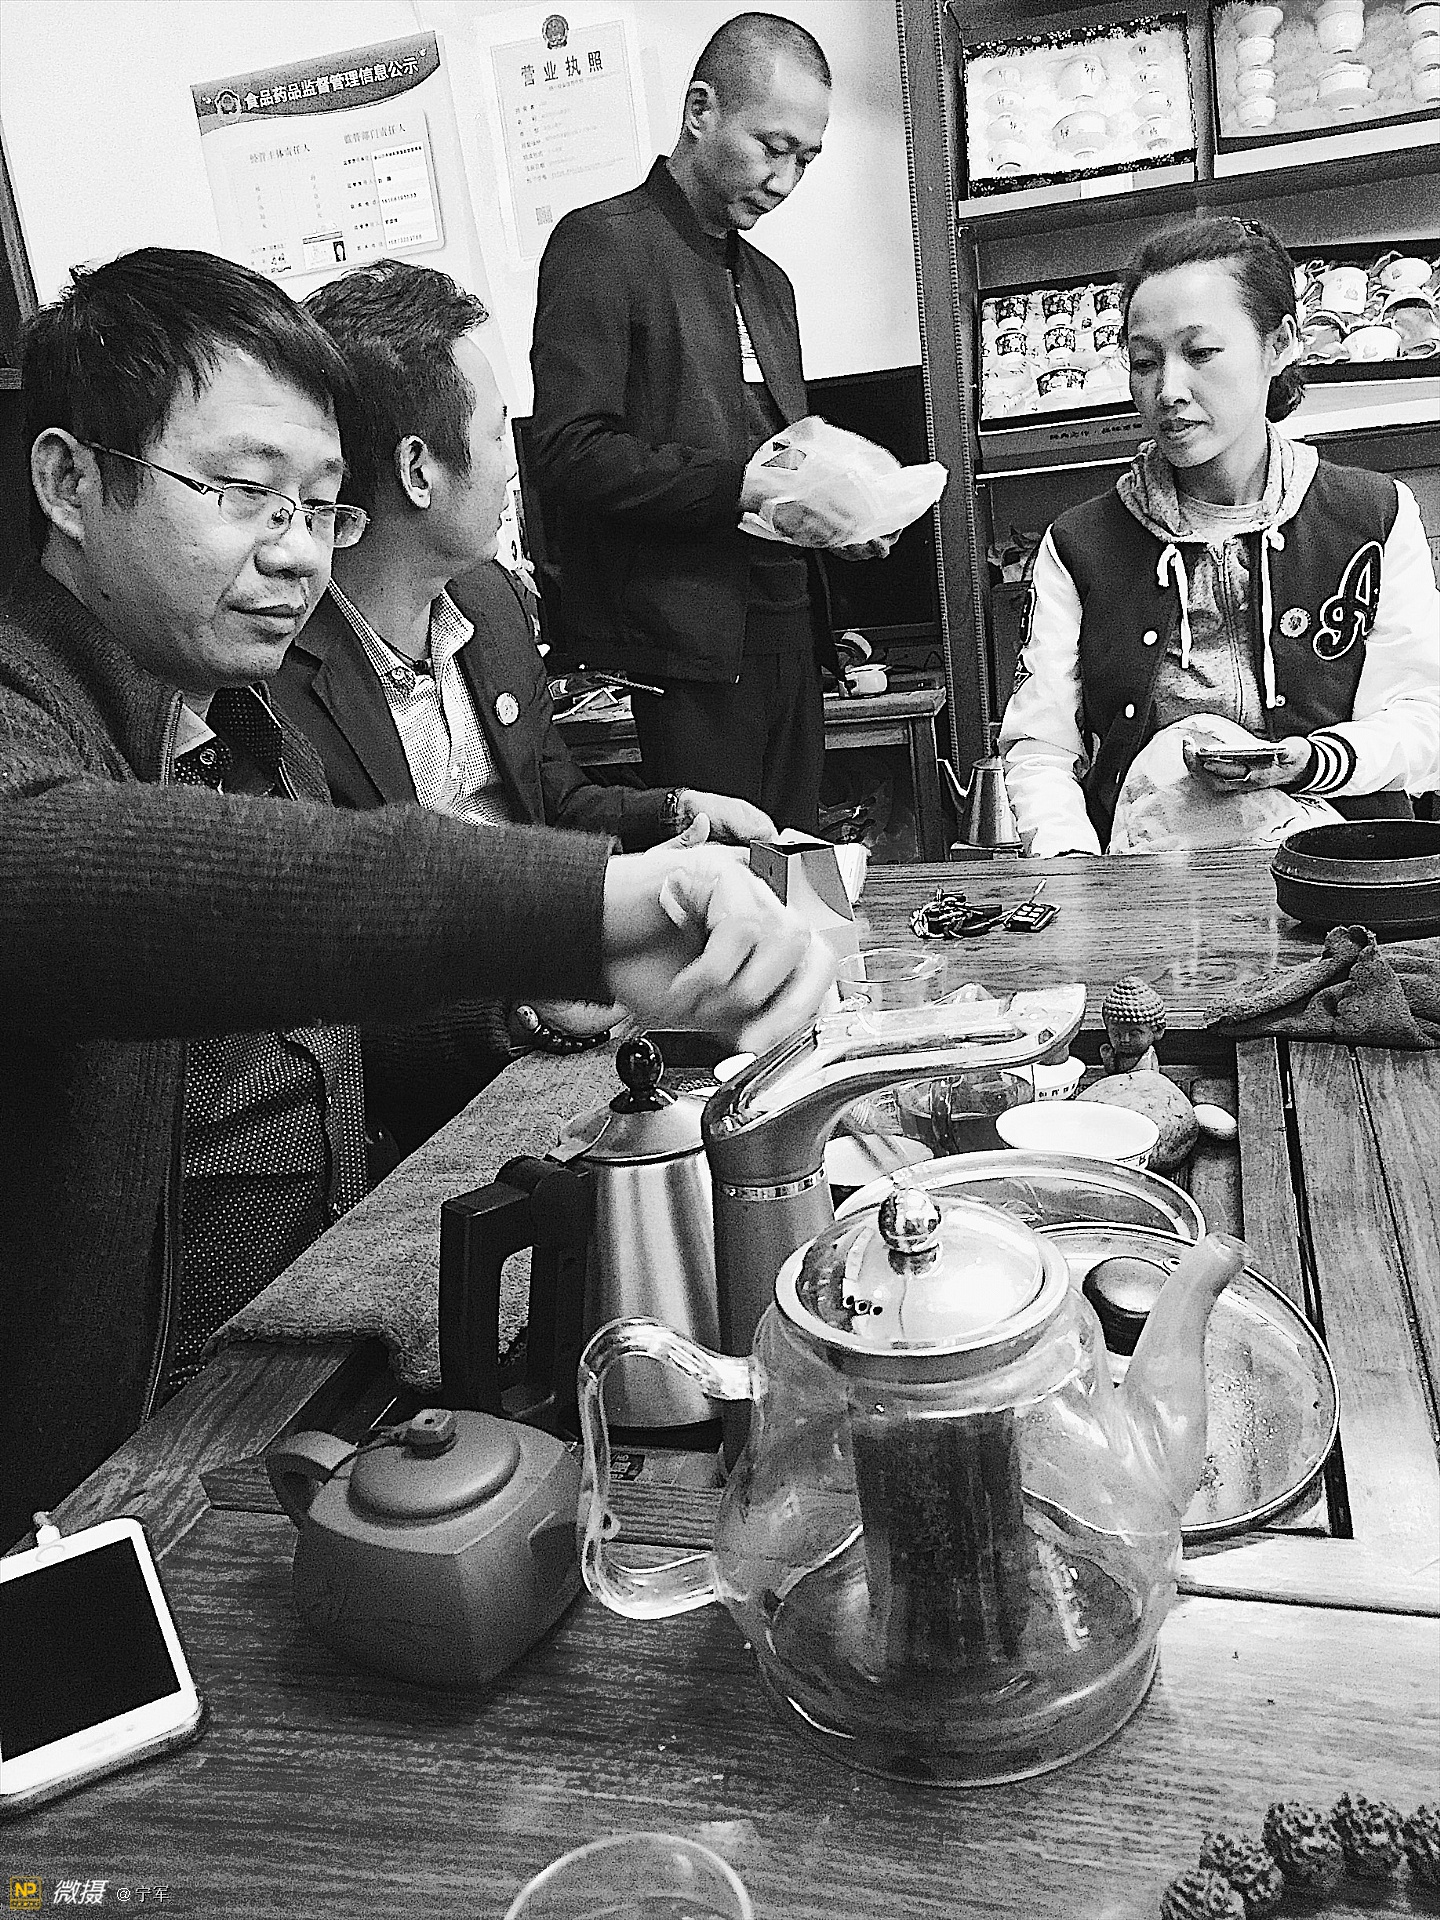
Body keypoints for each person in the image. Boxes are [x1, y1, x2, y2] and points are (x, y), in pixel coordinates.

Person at [0, 246, 835, 1548]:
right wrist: (581, 906)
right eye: (243, 493)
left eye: (318, 508)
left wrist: (526, 1001)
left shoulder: (236, 719)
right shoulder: (28, 717)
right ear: (68, 481)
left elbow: (327, 1018)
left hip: (311, 1353)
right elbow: (105, 880)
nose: (295, 556)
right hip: (111, 1475)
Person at [274, 259, 776, 1148]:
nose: (515, 463)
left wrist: (676, 812)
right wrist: (526, 1010)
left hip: (567, 1038)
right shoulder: (275, 683)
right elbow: (324, 986)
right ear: (419, 470)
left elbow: (556, 803)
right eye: (499, 428)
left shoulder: (492, 604)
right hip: (425, 1107)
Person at [529, 12, 885, 834]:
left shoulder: (770, 283)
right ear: (700, 110)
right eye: (773, 147)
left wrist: (840, 517)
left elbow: (780, 457)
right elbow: (569, 452)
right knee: (716, 874)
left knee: (791, 859)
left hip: (789, 624)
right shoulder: (600, 244)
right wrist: (741, 489)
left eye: (806, 159)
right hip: (679, 642)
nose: (785, 180)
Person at [998, 216, 1440, 856]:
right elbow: (1041, 748)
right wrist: (1077, 873)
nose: (1168, 390)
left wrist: (1310, 762)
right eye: (1144, 362)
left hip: (1340, 872)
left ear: (1279, 344)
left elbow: (1422, 716)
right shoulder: (1080, 543)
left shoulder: (1373, 514)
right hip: (1148, 880)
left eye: (1200, 352)